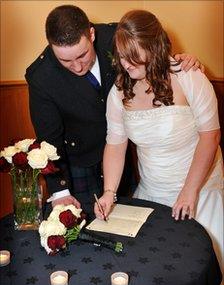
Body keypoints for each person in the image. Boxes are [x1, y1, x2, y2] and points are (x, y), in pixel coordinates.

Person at [25, 5, 203, 215]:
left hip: (120, 150)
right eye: (65, 60)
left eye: (82, 55)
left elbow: (152, 48)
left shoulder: (116, 37)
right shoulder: (41, 76)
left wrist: (177, 60)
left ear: (91, 34)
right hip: (78, 160)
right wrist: (60, 190)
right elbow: (49, 141)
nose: (77, 67)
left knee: (127, 219)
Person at [95, 10, 223, 271]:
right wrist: (109, 192)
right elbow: (116, 144)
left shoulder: (190, 78)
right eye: (121, 55)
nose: (125, 63)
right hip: (152, 190)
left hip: (198, 188)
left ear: (154, 48)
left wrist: (189, 191)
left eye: (132, 56)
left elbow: (210, 137)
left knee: (198, 265)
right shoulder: (119, 91)